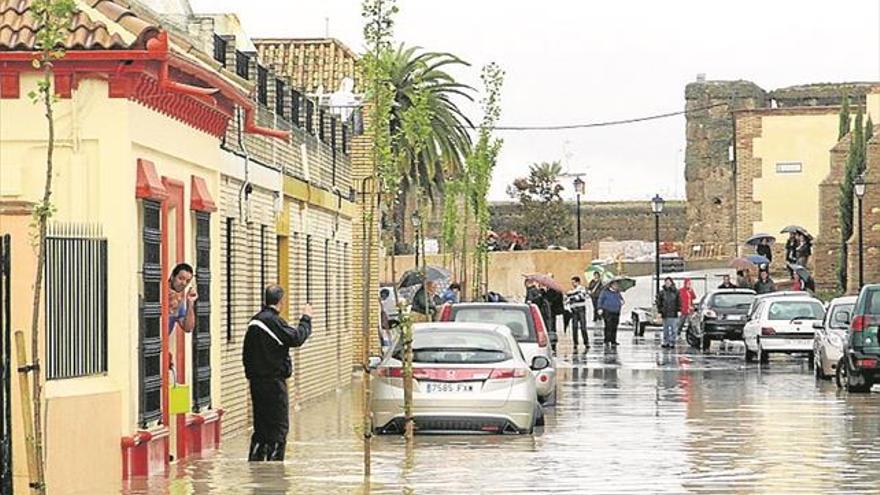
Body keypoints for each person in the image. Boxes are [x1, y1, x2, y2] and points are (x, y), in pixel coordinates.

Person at [243, 285, 312, 462]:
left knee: (261, 428)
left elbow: (246, 355)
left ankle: (256, 467)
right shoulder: (273, 322)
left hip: (256, 383)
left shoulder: (254, 322)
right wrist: (306, 318)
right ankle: (275, 472)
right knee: (278, 429)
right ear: (281, 301)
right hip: (273, 384)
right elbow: (296, 338)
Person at [168, 263, 198, 334]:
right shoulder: (159, 292)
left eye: (187, 281)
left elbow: (188, 327)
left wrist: (190, 303)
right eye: (181, 278)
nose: (184, 283)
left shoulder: (179, 299)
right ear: (172, 277)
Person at [526, 281, 554, 352]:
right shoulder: (533, 291)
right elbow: (531, 301)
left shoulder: (543, 291)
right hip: (541, 313)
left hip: (544, 313)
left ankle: (548, 345)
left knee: (546, 329)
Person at [656, 277, 681, 348]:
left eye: (668, 282)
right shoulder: (662, 292)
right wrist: (660, 311)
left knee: (673, 329)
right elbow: (659, 302)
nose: (667, 284)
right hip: (665, 314)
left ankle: (672, 342)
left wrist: (679, 310)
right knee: (665, 329)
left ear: (671, 283)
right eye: (666, 282)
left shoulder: (676, 292)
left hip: (673, 313)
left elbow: (679, 302)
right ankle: (666, 341)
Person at [598, 281, 624, 347]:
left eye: (617, 285)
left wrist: (622, 301)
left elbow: (621, 299)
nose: (616, 286)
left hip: (616, 311)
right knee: (608, 325)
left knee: (614, 326)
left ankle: (613, 340)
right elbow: (600, 300)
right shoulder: (605, 292)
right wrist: (599, 308)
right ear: (611, 285)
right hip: (607, 311)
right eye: (615, 285)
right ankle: (606, 340)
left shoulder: (617, 292)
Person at [566, 276, 589, 352]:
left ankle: (586, 342)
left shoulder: (582, 289)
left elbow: (581, 297)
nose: (572, 284)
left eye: (574, 282)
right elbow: (567, 298)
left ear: (578, 282)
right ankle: (575, 343)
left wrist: (571, 296)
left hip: (581, 309)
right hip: (574, 310)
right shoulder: (572, 290)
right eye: (572, 283)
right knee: (574, 327)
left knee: (583, 327)